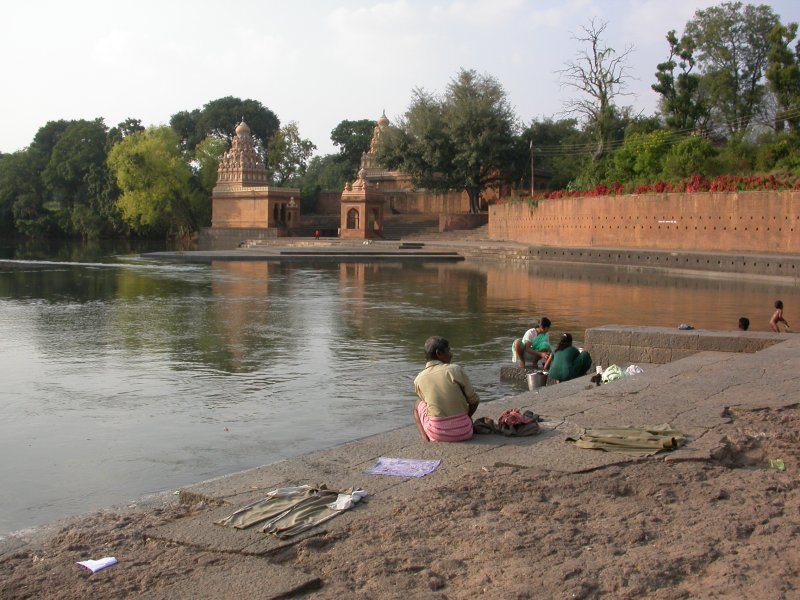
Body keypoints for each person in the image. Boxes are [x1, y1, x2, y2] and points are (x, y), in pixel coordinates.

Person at [413, 336, 479, 442]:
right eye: (448, 351)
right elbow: (475, 400)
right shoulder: (455, 369)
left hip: (437, 434)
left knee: (418, 404)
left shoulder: (419, 379)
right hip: (465, 431)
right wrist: (467, 417)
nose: (451, 354)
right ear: (439, 353)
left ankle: (425, 438)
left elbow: (429, 403)